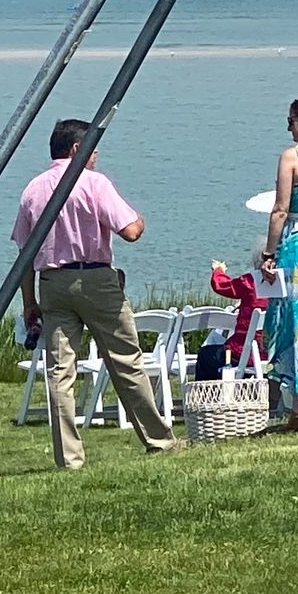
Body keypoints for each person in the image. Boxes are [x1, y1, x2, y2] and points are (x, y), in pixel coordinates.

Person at [12, 118, 179, 471]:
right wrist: (141, 218)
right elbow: (131, 230)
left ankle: (69, 458)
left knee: (60, 371)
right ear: (77, 149)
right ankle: (158, 439)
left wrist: (29, 302)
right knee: (125, 360)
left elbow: (24, 255)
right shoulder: (92, 183)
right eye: (93, 149)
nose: (96, 157)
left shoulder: (33, 189)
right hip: (95, 278)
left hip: (52, 283)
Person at [261, 96, 298, 429]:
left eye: (291, 120)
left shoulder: (291, 158)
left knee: (295, 318)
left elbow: (280, 209)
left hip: (297, 240)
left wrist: (268, 253)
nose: (288, 126)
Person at [194, 251, 269, 382]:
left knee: (206, 355)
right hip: (274, 354)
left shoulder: (252, 281)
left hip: (243, 354)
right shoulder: (286, 283)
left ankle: (208, 398)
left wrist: (218, 270)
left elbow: (222, 285)